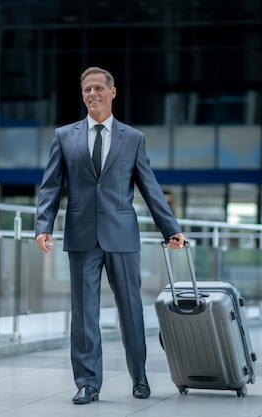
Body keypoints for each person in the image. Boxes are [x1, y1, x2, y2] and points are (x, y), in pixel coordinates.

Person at [35, 66, 186, 405]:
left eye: (99, 88)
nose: (93, 94)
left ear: (112, 92)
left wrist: (170, 229)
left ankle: (140, 377)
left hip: (122, 236)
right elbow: (50, 187)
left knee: (131, 310)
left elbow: (150, 187)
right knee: (84, 314)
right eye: (87, 89)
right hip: (81, 236)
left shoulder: (132, 138)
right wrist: (43, 227)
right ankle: (88, 383)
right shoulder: (64, 136)